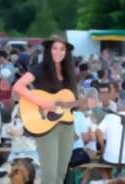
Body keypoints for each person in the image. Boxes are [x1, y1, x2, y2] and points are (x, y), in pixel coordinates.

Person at [13, 35, 94, 184]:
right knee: (49, 175)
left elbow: (68, 104)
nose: (58, 52)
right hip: (45, 126)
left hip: (67, 125)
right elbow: (18, 86)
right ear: (49, 50)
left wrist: (85, 104)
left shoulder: (69, 73)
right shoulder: (40, 69)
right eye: (55, 48)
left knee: (60, 174)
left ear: (66, 52)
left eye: (62, 49)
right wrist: (42, 102)